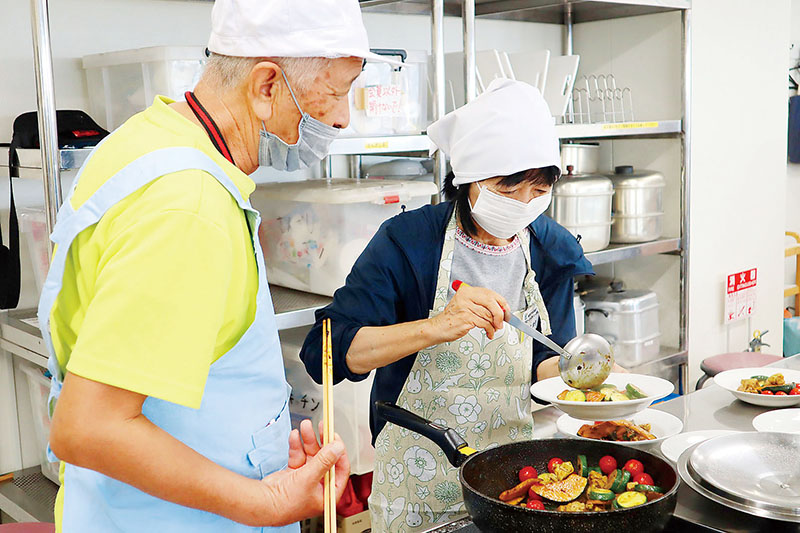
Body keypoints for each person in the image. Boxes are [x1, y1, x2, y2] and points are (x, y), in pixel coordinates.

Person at [40, 1, 399, 531]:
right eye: (336, 91)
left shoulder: (147, 138)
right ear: (266, 86)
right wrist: (269, 502)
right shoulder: (190, 208)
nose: (344, 117)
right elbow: (89, 427)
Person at [300, 79, 626, 531]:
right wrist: (435, 326)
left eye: (538, 191)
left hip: (511, 476)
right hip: (417, 477)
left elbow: (545, 360)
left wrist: (586, 376)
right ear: (468, 178)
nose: (523, 206)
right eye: (507, 190)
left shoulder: (548, 248)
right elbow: (324, 352)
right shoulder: (408, 242)